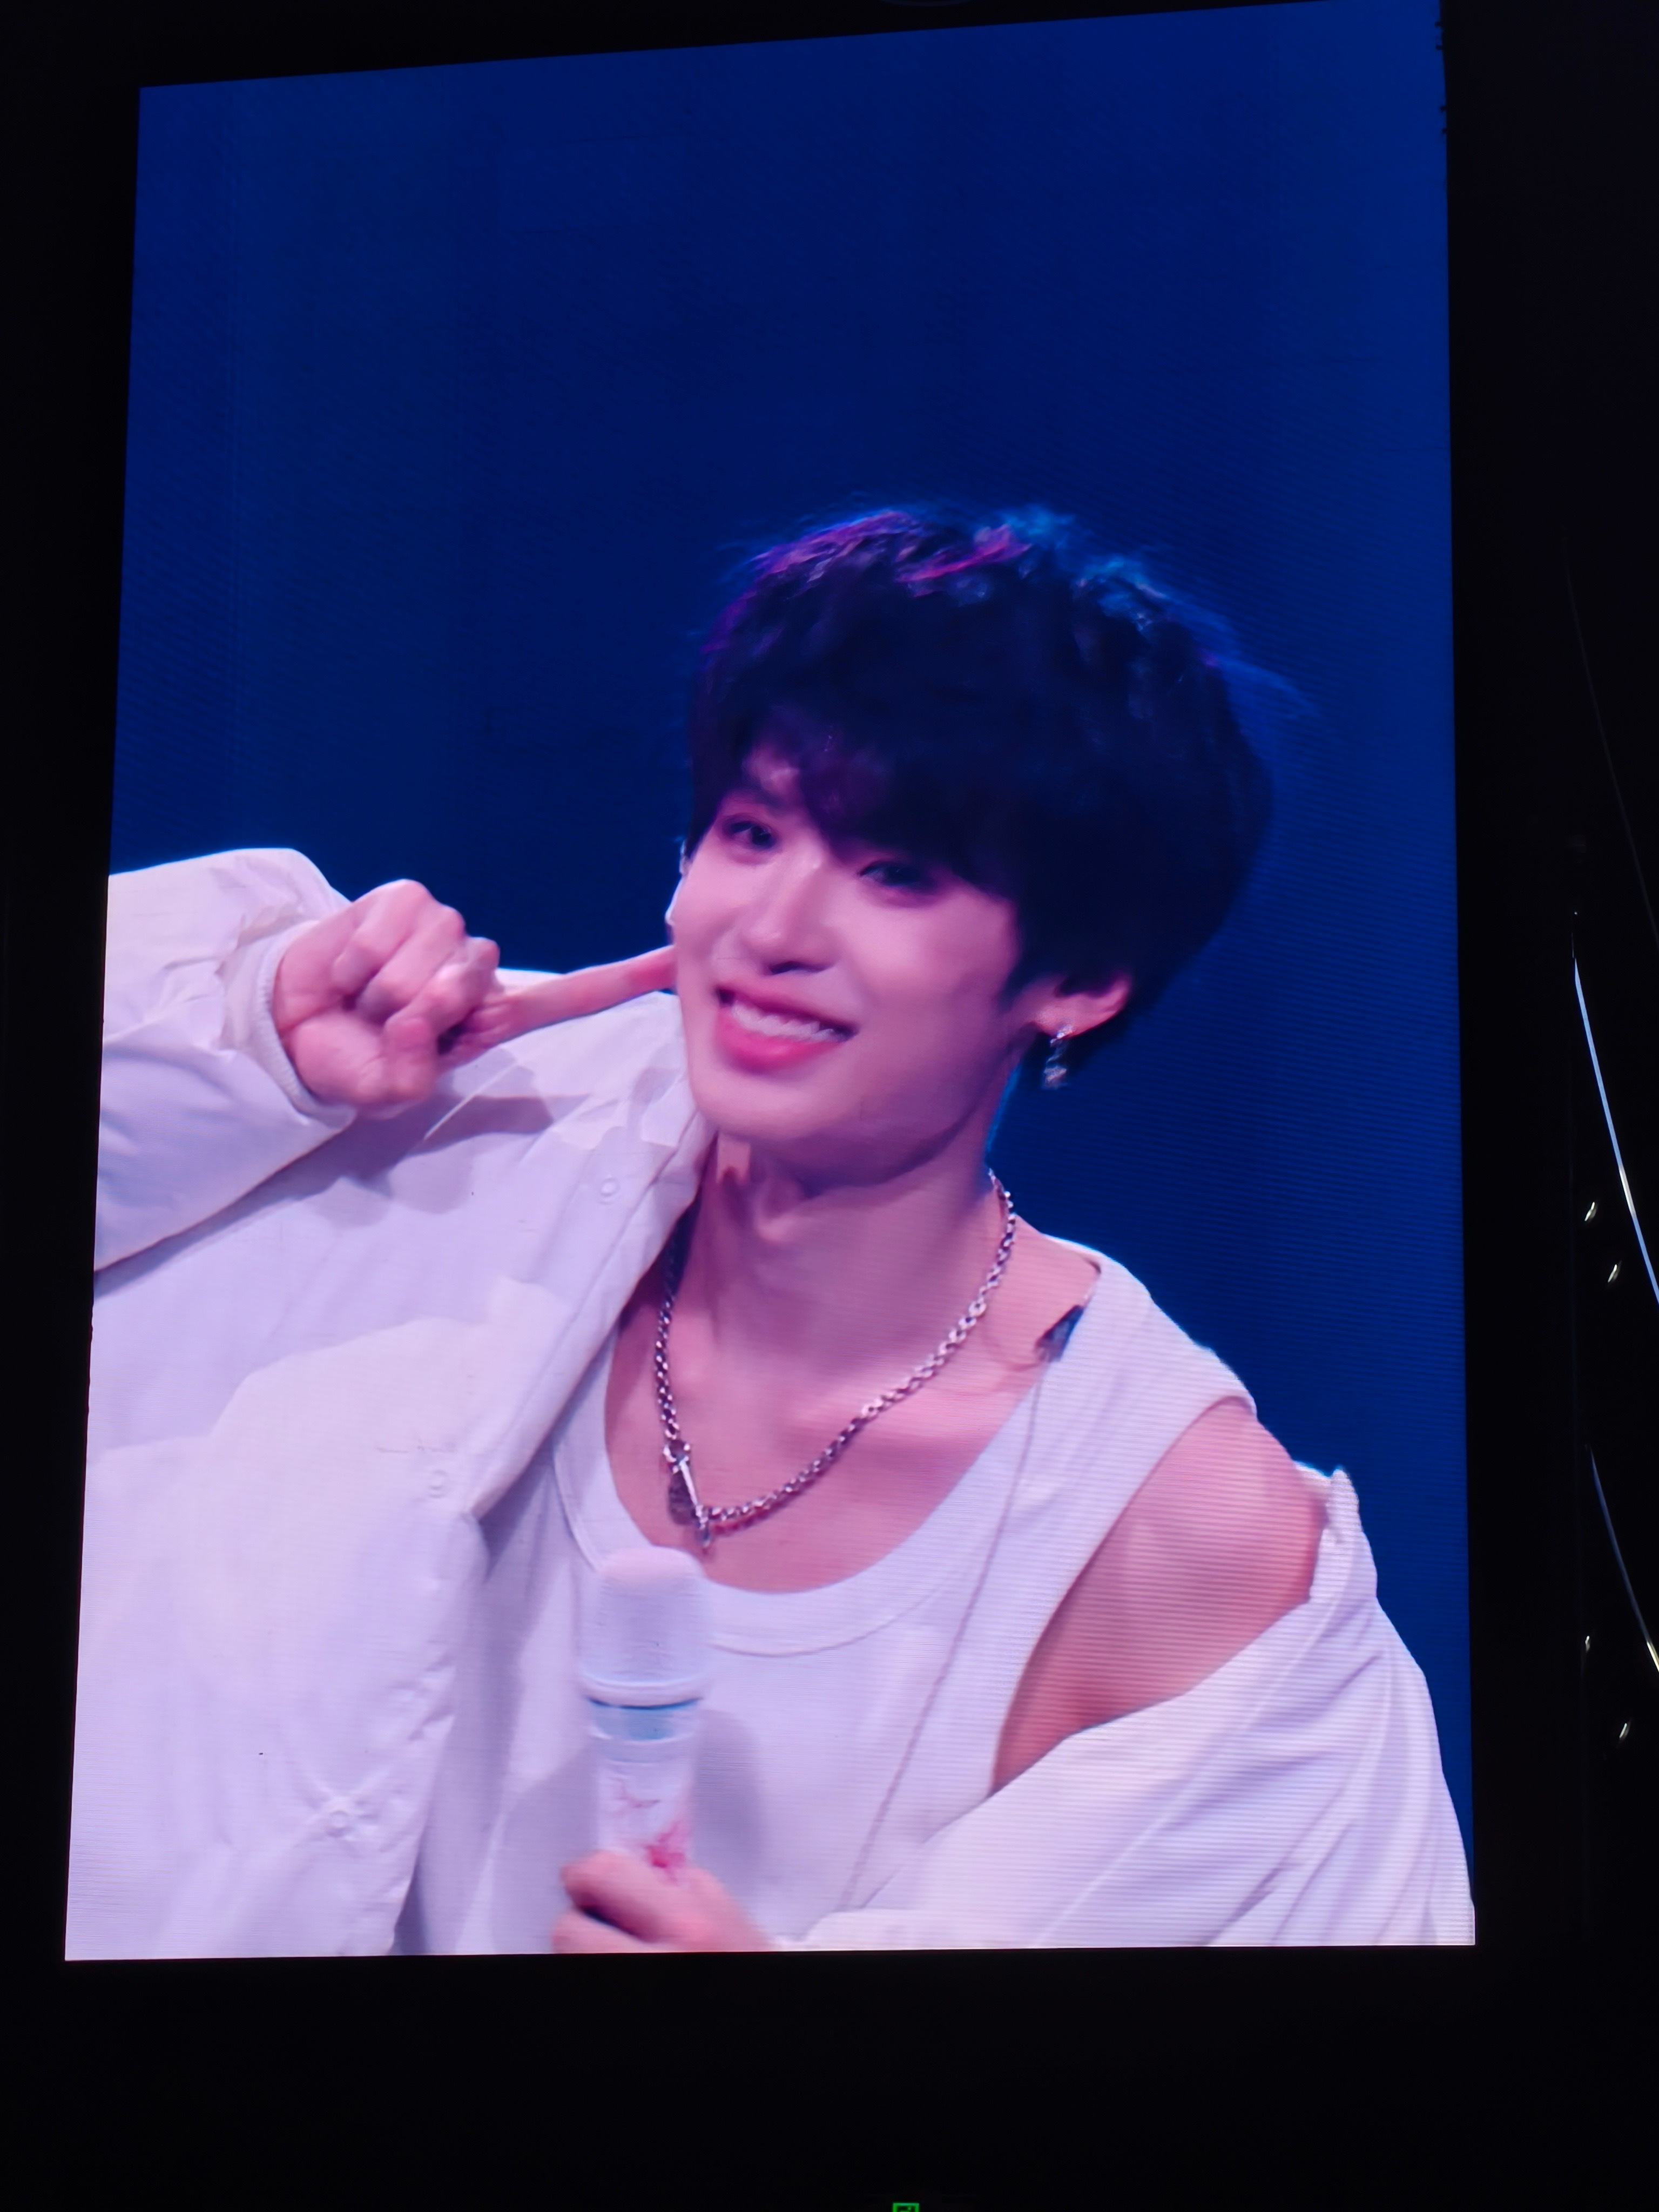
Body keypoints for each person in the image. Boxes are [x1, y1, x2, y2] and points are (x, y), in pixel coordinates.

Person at [69, 510, 1474, 1956]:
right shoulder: (430, 1121)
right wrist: (248, 1055)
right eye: (753, 832)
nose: (773, 927)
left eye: (897, 872)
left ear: (1082, 976)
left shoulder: (1171, 1529)